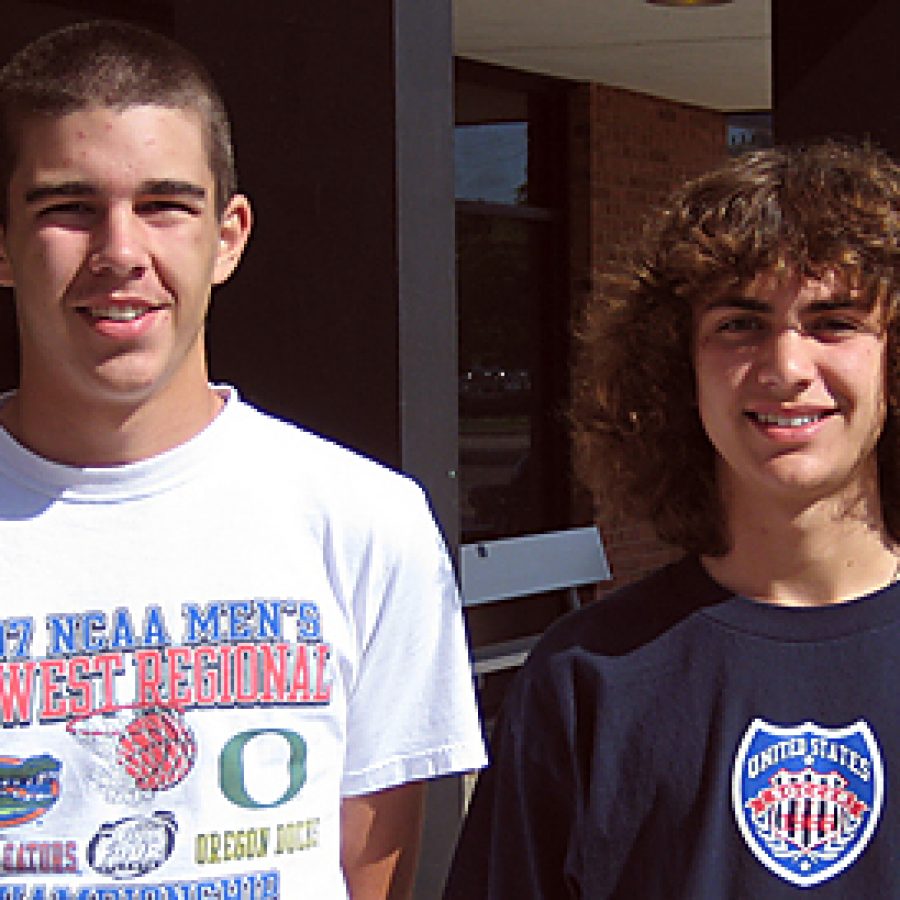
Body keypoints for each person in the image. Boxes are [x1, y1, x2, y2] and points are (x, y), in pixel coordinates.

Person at [0, 19, 485, 899]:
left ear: (228, 236)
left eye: (165, 205)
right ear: (2, 243)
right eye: (68, 207)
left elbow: (369, 879)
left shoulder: (364, 521)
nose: (119, 252)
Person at [444, 141, 900, 897]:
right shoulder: (584, 679)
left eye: (834, 322)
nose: (787, 367)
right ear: (675, 364)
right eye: (740, 324)